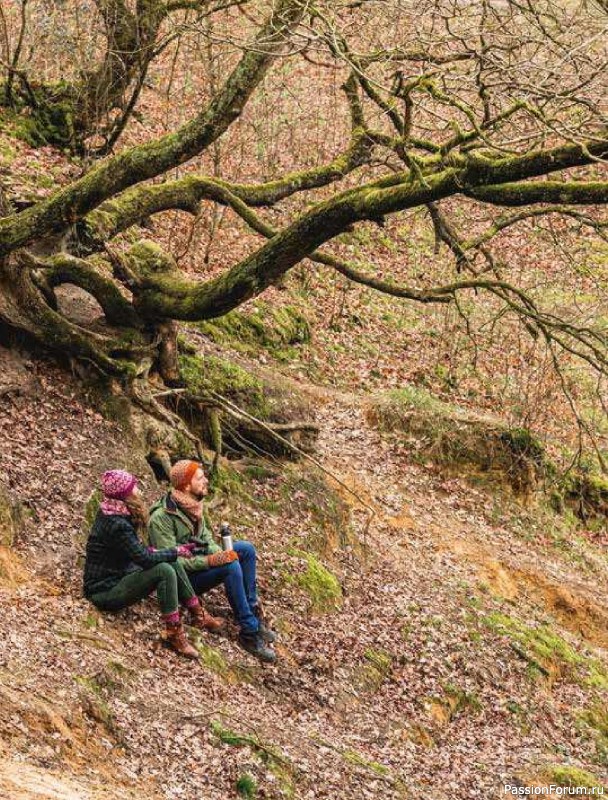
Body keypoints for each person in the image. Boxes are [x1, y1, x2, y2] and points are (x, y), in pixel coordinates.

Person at [149, 460, 278, 664]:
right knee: (230, 566)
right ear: (186, 485)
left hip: (198, 568)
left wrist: (221, 554)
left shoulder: (194, 505)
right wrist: (211, 561)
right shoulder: (161, 518)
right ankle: (249, 632)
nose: (206, 480)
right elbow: (170, 562)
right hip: (181, 582)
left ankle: (252, 612)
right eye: (200, 478)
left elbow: (207, 539)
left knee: (245, 550)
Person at [83, 469, 214, 659]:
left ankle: (198, 615)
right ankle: (173, 633)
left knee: (170, 561)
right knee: (164, 570)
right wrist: (175, 551)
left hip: (122, 574)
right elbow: (144, 559)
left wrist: (174, 552)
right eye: (133, 487)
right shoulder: (116, 523)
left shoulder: (115, 511)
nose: (138, 490)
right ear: (124, 495)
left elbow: (137, 552)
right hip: (104, 591)